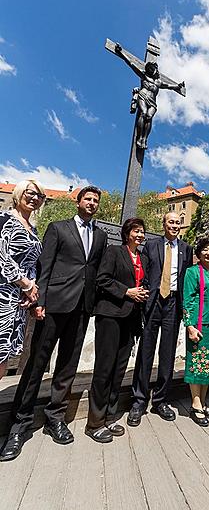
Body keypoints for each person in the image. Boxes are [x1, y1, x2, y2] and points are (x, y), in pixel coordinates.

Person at [0, 186, 107, 462]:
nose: (92, 203)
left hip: (82, 308)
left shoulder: (101, 235)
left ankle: (54, 417)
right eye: (88, 199)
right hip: (53, 305)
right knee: (36, 362)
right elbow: (44, 267)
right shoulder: (57, 228)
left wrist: (92, 304)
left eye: (96, 201)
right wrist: (40, 302)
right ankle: (19, 424)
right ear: (78, 201)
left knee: (67, 366)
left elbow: (92, 271)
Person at [85, 218, 149, 443]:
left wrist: (142, 294)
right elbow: (102, 279)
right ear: (127, 233)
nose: (140, 235)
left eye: (142, 232)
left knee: (119, 369)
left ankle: (110, 416)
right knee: (104, 368)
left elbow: (144, 284)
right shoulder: (114, 251)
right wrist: (127, 292)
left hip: (130, 319)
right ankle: (94, 422)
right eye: (136, 231)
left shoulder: (143, 258)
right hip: (111, 316)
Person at [127, 212, 193, 426]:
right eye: (170, 222)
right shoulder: (152, 245)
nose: (174, 225)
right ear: (163, 225)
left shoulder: (186, 249)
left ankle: (161, 400)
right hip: (152, 302)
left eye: (177, 223)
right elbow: (144, 272)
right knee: (146, 351)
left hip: (173, 303)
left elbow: (186, 278)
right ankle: (138, 401)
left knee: (168, 353)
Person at [0, 180, 45, 380]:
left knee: (3, 358)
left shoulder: (33, 230)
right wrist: (25, 283)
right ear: (19, 193)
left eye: (40, 196)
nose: (35, 198)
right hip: (2, 294)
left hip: (18, 302)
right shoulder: (4, 219)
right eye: (31, 193)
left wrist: (31, 292)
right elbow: (1, 256)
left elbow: (32, 263)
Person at [183, 237, 209, 427]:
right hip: (198, 325)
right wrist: (190, 326)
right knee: (197, 363)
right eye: (205, 249)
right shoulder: (192, 272)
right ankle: (195, 403)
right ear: (199, 252)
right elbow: (187, 300)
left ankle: (204, 401)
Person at [114, 43, 185, 149]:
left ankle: (144, 139)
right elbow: (131, 63)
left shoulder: (159, 83)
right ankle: (139, 138)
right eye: (153, 69)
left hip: (152, 102)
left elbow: (169, 86)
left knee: (149, 116)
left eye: (155, 68)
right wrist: (121, 52)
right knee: (143, 113)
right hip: (143, 95)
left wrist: (178, 86)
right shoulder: (144, 75)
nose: (155, 70)